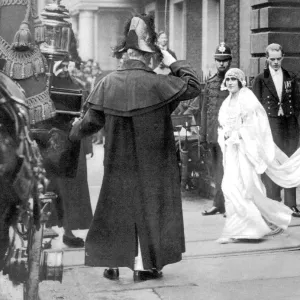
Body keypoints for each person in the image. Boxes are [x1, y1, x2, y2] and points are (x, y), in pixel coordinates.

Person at [69, 14, 200, 282]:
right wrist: (172, 60)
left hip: (118, 163)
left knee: (115, 208)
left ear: (125, 53)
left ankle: (114, 264)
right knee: (151, 208)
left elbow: (90, 124)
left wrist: (73, 130)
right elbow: (195, 85)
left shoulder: (106, 83)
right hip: (154, 163)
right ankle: (145, 266)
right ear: (148, 55)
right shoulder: (160, 83)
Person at [217, 68, 295, 244]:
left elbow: (255, 126)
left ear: (240, 81)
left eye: (233, 79)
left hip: (245, 150)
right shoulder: (226, 102)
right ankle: (235, 228)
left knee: (248, 186)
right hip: (231, 151)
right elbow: (222, 125)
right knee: (229, 186)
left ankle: (251, 229)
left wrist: (238, 135)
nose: (229, 82)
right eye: (227, 79)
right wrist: (225, 135)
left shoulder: (248, 99)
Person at [45, 59, 93, 247]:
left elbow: (88, 114)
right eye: (61, 64)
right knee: (49, 187)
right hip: (48, 143)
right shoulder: (43, 85)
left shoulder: (79, 86)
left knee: (71, 189)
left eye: (67, 64)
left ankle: (68, 230)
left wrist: (87, 144)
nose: (65, 68)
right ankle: (43, 231)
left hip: (73, 143)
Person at [252, 43, 300, 217]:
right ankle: (273, 201)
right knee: (272, 161)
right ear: (266, 59)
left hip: (289, 125)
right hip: (270, 126)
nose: (275, 62)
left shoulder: (290, 77)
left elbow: (297, 102)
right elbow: (255, 106)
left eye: (278, 59)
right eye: (272, 59)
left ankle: (291, 204)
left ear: (283, 57)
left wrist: (295, 120)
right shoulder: (260, 79)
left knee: (290, 162)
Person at [201, 42, 232, 216]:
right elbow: (205, 110)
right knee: (216, 170)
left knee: (229, 170)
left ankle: (229, 204)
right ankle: (217, 203)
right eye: (219, 60)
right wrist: (203, 135)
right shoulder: (211, 83)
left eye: (225, 60)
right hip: (213, 135)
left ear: (230, 61)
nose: (221, 64)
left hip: (228, 136)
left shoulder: (234, 82)